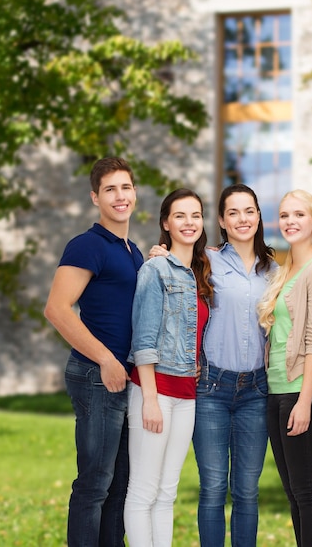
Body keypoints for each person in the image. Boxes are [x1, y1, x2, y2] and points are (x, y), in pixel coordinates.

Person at [44, 157, 143, 547]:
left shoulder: (131, 250)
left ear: (135, 192)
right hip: (95, 376)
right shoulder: (87, 245)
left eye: (126, 187)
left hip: (123, 377)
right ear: (95, 198)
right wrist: (105, 359)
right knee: (94, 486)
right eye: (110, 190)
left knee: (119, 486)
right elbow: (57, 309)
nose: (120, 196)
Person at [124, 188, 213, 547]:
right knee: (143, 489)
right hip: (155, 391)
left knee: (167, 492)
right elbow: (143, 339)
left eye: (195, 215)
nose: (189, 222)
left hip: (186, 395)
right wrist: (148, 398)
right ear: (166, 223)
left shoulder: (199, 275)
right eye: (180, 215)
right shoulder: (155, 269)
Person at [193, 184, 276, 547]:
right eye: (233, 213)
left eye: (249, 211)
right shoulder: (206, 261)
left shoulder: (274, 269)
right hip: (211, 388)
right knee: (212, 488)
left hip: (257, 391)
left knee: (247, 490)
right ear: (222, 222)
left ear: (258, 216)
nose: (243, 219)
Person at [257, 190, 312, 547]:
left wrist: (304, 401)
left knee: (306, 489)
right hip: (276, 392)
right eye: (285, 215)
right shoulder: (286, 269)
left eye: (299, 215)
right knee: (292, 490)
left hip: (302, 391)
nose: (290, 221)